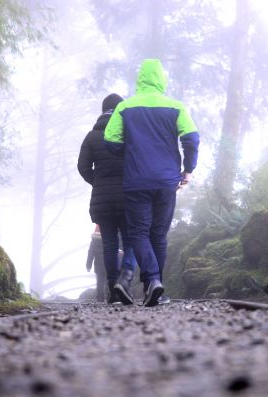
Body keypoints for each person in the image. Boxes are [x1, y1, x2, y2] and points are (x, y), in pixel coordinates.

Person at [104, 59, 200, 307]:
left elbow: (111, 141)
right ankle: (155, 288)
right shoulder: (176, 107)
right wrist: (188, 169)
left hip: (137, 180)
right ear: (162, 79)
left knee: (138, 233)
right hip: (167, 181)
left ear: (140, 79)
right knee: (159, 234)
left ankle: (153, 281)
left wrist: (131, 152)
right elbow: (191, 138)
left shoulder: (125, 107)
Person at [78, 93, 137, 304]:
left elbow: (82, 167)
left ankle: (113, 289)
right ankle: (124, 281)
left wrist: (97, 182)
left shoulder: (92, 136)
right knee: (130, 241)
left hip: (102, 200)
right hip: (128, 197)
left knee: (110, 244)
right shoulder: (129, 134)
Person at [85, 224, 107, 302]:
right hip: (108, 264)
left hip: (98, 266)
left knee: (100, 282)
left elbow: (90, 254)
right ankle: (110, 296)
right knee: (110, 280)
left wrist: (88, 265)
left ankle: (100, 297)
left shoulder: (94, 242)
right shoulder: (108, 240)